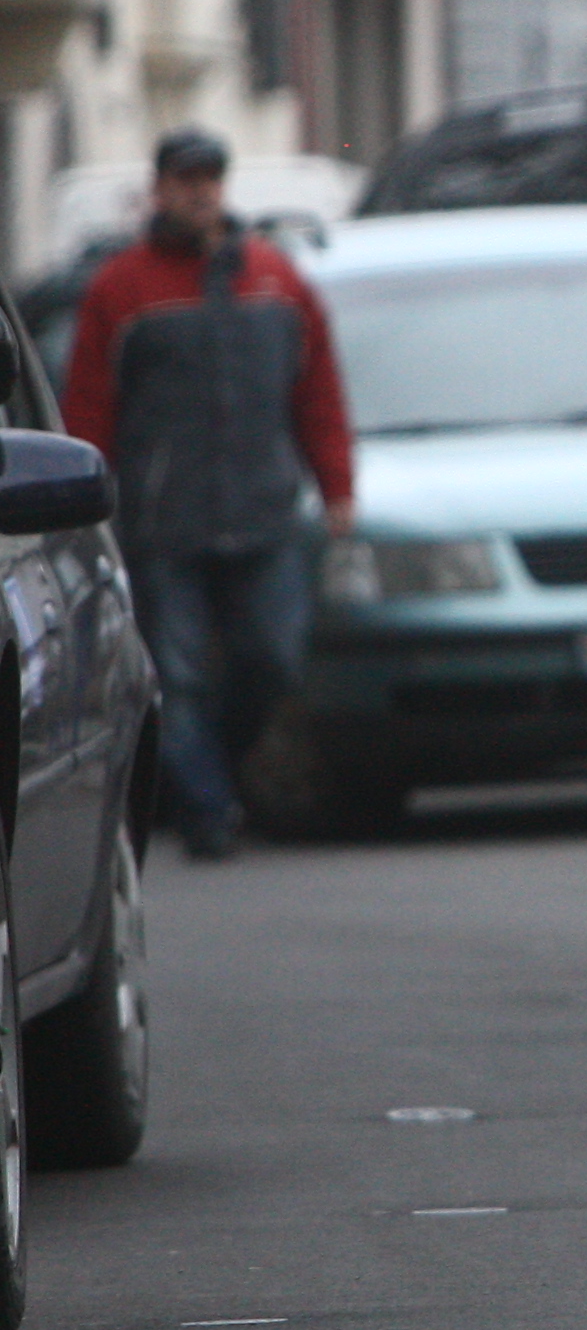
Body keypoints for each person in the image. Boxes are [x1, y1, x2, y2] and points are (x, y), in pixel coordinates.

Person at [61, 129, 355, 861]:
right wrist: (86, 502)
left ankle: (205, 767)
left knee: (273, 659)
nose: (200, 192)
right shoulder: (121, 289)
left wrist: (337, 486)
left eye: (211, 178)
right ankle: (207, 810)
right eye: (186, 179)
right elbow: (91, 406)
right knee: (181, 675)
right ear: (158, 189)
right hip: (167, 525)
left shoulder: (276, 281)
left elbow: (317, 394)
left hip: (264, 513)